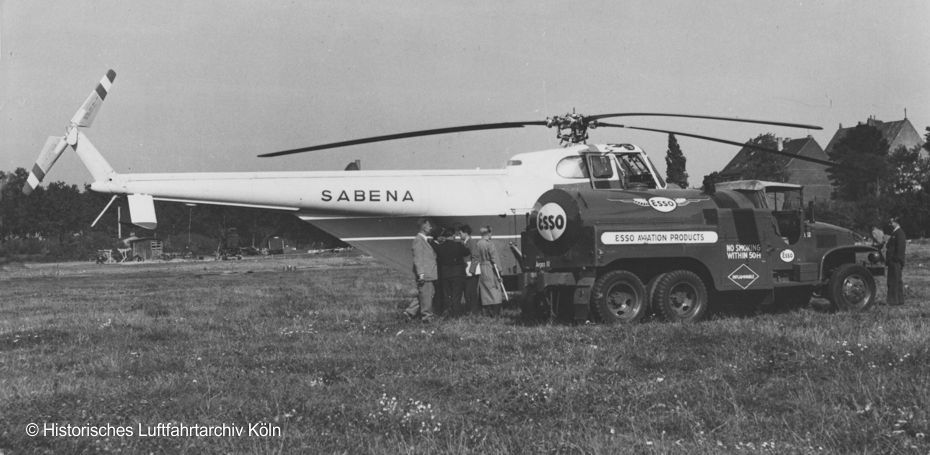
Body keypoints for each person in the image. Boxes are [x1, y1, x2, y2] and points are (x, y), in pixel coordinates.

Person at [405, 218, 438, 322]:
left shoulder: (423, 239)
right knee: (427, 296)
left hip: (428, 273)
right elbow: (418, 259)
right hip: (425, 274)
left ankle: (409, 313)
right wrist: (421, 274)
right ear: (423, 226)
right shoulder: (418, 240)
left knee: (423, 295)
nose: (430, 227)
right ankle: (426, 317)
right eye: (429, 225)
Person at [435, 226, 469, 316]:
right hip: (458, 274)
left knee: (447, 295)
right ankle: (456, 314)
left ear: (445, 236)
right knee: (456, 296)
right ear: (454, 235)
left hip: (445, 274)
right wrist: (463, 242)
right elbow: (467, 252)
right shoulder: (458, 245)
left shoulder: (440, 247)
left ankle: (448, 313)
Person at [475, 225, 503, 317]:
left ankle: (486, 312)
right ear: (489, 233)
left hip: (481, 267)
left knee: (484, 290)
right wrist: (499, 270)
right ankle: (495, 313)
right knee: (495, 289)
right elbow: (495, 258)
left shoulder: (478, 243)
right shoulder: (489, 244)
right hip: (490, 268)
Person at [459, 224, 481, 314]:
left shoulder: (471, 242)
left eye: (460, 233)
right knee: (468, 293)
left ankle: (473, 311)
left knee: (471, 292)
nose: (459, 235)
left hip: (471, 272)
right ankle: (470, 310)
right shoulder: (463, 242)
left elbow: (475, 257)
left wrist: (472, 270)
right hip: (466, 271)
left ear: (466, 233)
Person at [885, 217, 907, 306]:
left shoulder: (899, 233)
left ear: (896, 223)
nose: (890, 224)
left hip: (895, 261)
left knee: (893, 281)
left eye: (892, 222)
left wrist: (895, 259)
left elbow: (900, 248)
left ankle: (893, 301)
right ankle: (899, 300)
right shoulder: (896, 233)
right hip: (894, 261)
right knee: (897, 280)